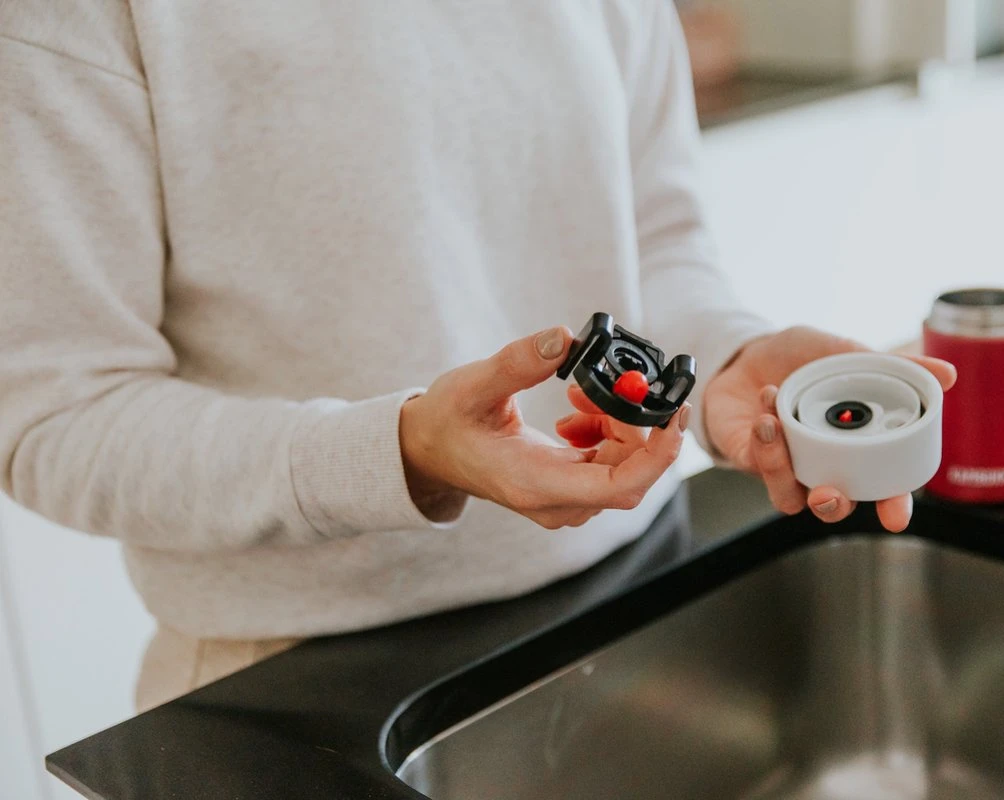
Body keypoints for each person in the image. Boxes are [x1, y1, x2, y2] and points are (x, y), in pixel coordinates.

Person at [0, 1, 954, 711]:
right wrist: (402, 453)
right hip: (290, 680)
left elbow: (655, 240)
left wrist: (727, 358)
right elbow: (54, 416)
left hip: (640, 601)